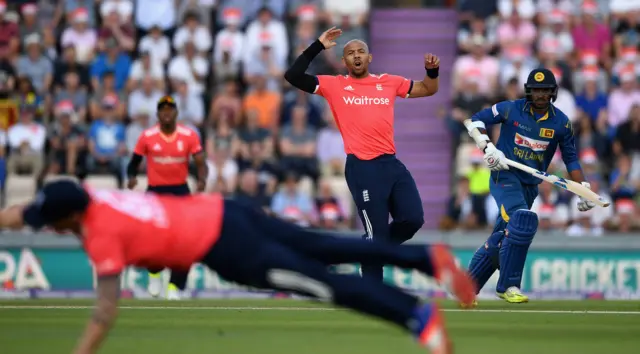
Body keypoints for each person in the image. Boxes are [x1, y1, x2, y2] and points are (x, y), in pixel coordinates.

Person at [2, 179, 477, 354]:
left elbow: (105, 310)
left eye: (52, 223)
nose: (48, 228)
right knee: (329, 247)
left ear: (69, 216)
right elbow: (20, 213)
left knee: (325, 285)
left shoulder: (100, 233)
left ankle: (417, 316)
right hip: (228, 211)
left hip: (230, 248)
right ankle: (425, 257)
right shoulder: (97, 199)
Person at [284, 27, 440, 281]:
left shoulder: (388, 82)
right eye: (350, 53)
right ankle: (371, 283)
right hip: (362, 168)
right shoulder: (334, 85)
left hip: (390, 163)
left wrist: (432, 71)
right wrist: (318, 46)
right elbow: (293, 75)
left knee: (412, 219)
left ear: (370, 58)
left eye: (361, 51)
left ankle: (368, 251)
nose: (356, 56)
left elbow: (428, 89)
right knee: (375, 234)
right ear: (344, 61)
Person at [464, 68, 595, 305]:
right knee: (522, 220)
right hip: (504, 176)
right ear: (528, 91)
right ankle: (509, 286)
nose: (540, 95)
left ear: (552, 92)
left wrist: (582, 186)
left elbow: (571, 158)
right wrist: (487, 147)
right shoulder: (510, 108)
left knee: (506, 235)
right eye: (536, 90)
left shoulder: (561, 123)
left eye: (545, 91)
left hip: (530, 184)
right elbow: (474, 120)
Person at [126, 95, 208, 300]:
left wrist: (202, 179)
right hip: (156, 192)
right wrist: (131, 177)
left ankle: (174, 286)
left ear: (176, 113)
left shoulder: (188, 135)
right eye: (163, 110)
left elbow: (200, 161)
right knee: (151, 239)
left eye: (170, 109)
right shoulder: (148, 136)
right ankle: (154, 274)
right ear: (157, 114)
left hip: (180, 190)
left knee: (186, 241)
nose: (167, 113)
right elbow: (134, 161)